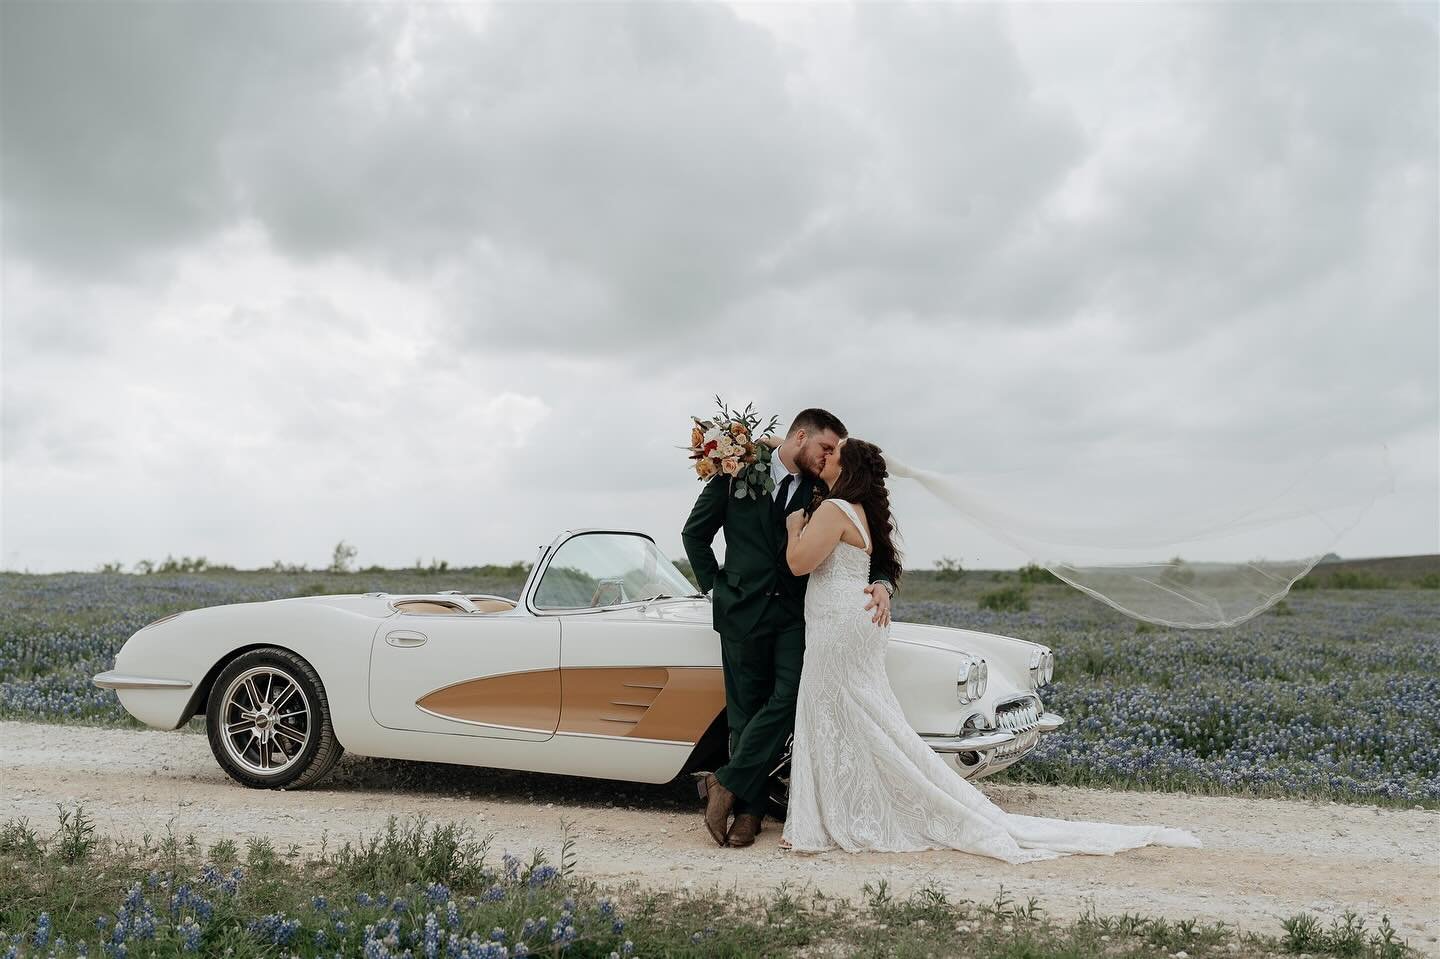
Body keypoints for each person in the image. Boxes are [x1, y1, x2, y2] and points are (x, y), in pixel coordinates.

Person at [779, 438, 1201, 860]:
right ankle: (842, 808)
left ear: (847, 467)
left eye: (833, 452)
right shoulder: (860, 512)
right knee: (855, 714)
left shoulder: (834, 510)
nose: (825, 455)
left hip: (839, 626)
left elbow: (798, 563)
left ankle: (839, 813)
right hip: (852, 624)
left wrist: (793, 527)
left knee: (833, 709)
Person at [682, 409, 896, 848]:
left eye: (834, 452)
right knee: (743, 714)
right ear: (801, 436)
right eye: (824, 447)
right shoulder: (737, 468)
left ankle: (725, 783)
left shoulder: (828, 487)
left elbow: (876, 546)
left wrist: (883, 583)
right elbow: (695, 534)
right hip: (739, 610)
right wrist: (715, 590)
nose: (828, 457)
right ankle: (749, 813)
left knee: (788, 698)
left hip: (798, 617)